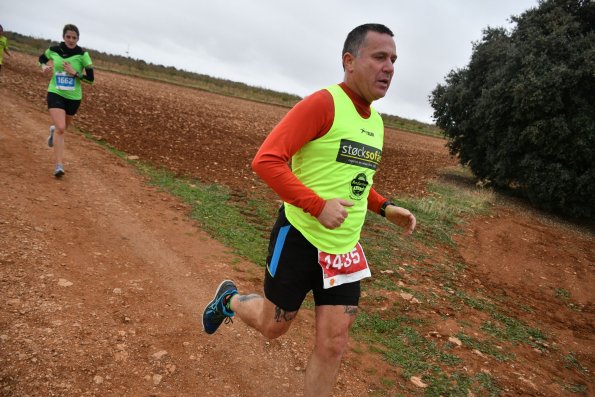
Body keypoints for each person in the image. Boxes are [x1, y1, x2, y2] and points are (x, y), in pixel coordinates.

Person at [202, 23, 416, 396]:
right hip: (300, 236)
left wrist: (384, 207)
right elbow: (266, 160)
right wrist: (317, 207)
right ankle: (229, 300)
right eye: (380, 57)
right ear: (349, 61)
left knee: (333, 344)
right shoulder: (323, 104)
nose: (390, 67)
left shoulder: (377, 124)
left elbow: (353, 182)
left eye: (394, 60)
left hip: (344, 251)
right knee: (273, 327)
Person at [39, 24, 94, 177]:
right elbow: (42, 58)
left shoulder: (83, 55)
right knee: (61, 128)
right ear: (63, 37)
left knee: (62, 129)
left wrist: (74, 72)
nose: (71, 40)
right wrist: (43, 66)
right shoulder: (54, 50)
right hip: (55, 92)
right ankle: (59, 165)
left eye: (74, 38)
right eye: (68, 37)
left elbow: (91, 80)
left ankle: (53, 131)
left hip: (74, 97)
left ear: (78, 39)